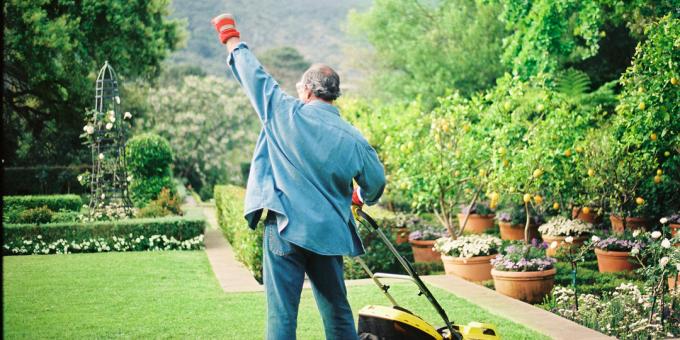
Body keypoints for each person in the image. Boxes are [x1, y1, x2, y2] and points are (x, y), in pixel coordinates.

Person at [211, 14, 386, 340]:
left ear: (307, 90)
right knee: (337, 311)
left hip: (285, 231)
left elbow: (255, 76)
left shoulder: (283, 112)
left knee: (282, 316)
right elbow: (376, 183)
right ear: (334, 96)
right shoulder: (353, 138)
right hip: (329, 236)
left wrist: (230, 36)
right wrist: (359, 197)